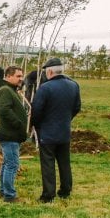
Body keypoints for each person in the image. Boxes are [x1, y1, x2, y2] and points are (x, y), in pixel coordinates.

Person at [30, 57, 81, 203]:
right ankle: (65, 190)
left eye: (46, 71)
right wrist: (66, 120)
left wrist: (37, 126)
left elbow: (37, 111)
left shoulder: (45, 88)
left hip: (47, 133)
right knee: (64, 162)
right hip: (64, 131)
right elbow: (77, 107)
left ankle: (48, 195)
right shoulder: (74, 85)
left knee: (48, 163)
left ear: (50, 71)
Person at [0, 65, 27, 202]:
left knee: (7, 163)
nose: (21, 79)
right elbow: (5, 110)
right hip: (9, 135)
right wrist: (19, 124)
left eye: (21, 76)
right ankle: (9, 195)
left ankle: (3, 191)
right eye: (18, 76)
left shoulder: (11, 90)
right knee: (12, 164)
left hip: (11, 134)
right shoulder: (6, 90)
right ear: (8, 76)